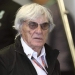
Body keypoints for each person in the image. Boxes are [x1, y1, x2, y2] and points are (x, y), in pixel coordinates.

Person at [0, 3, 61, 75]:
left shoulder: (53, 59)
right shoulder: (4, 59)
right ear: (20, 27)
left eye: (44, 25)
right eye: (32, 25)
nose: (39, 31)